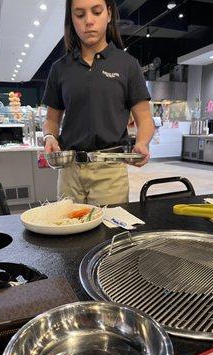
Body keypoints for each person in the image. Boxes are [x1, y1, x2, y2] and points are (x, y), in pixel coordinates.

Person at [42, 0, 155, 205]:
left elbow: (145, 119)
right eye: (80, 14)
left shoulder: (127, 65)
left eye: (96, 11)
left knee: (109, 232)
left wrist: (141, 142)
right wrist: (49, 137)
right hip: (69, 171)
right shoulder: (60, 69)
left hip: (110, 171)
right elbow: (51, 118)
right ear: (71, 20)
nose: (89, 21)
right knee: (68, 230)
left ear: (109, 14)